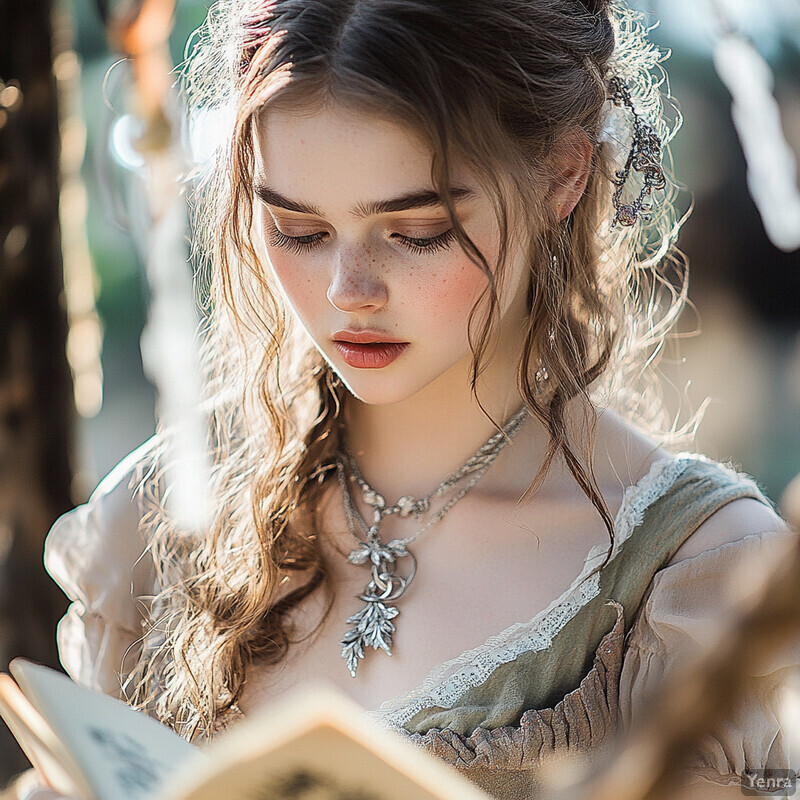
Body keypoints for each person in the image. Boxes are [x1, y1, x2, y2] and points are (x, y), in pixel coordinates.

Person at [10, 0, 799, 798]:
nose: (347, 292)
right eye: (298, 231)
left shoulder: (695, 583)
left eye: (415, 230)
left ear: (563, 174)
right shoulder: (161, 528)